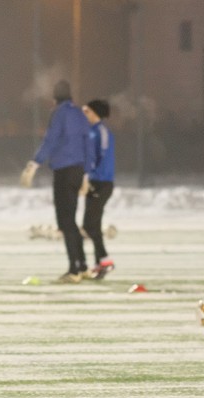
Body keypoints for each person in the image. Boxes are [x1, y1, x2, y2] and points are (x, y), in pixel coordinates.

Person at [20, 79, 91, 283]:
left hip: (63, 171)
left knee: (65, 222)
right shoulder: (79, 113)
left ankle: (73, 269)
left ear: (54, 99)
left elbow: (50, 139)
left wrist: (34, 163)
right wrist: (86, 173)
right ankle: (83, 265)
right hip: (78, 170)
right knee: (72, 220)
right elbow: (87, 142)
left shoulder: (59, 113)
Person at [82, 99, 116, 279]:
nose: (84, 114)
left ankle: (105, 259)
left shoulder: (100, 131)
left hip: (101, 182)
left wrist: (89, 173)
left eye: (86, 111)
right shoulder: (92, 131)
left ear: (94, 112)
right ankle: (100, 263)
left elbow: (99, 155)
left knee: (89, 224)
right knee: (92, 224)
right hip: (95, 181)